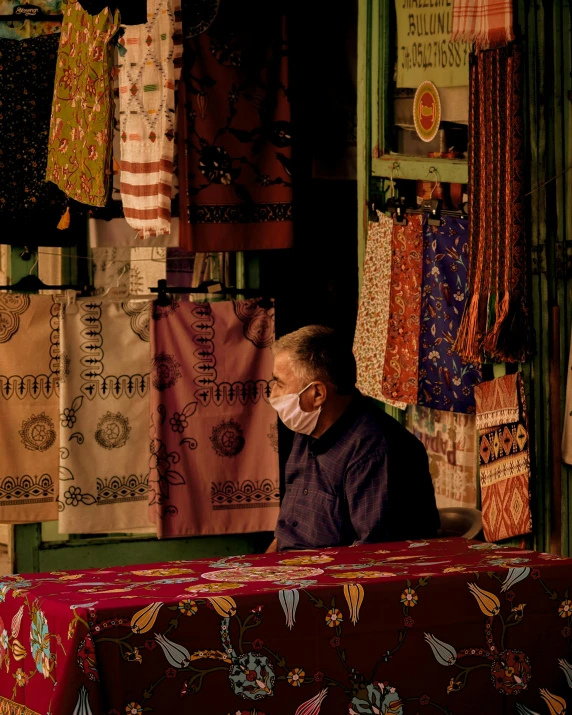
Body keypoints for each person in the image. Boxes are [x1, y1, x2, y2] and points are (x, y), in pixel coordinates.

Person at [267, 325, 439, 552]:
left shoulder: (375, 450)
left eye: (279, 383)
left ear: (317, 394)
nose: (273, 395)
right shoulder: (307, 430)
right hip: (291, 574)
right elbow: (285, 535)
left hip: (334, 582)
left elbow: (372, 556)